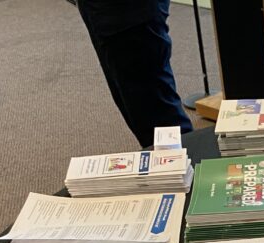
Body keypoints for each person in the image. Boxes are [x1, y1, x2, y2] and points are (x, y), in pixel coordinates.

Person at [75, 0, 193, 147]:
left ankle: (186, 163)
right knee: (136, 102)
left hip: (125, 12)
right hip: (108, 11)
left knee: (158, 115)